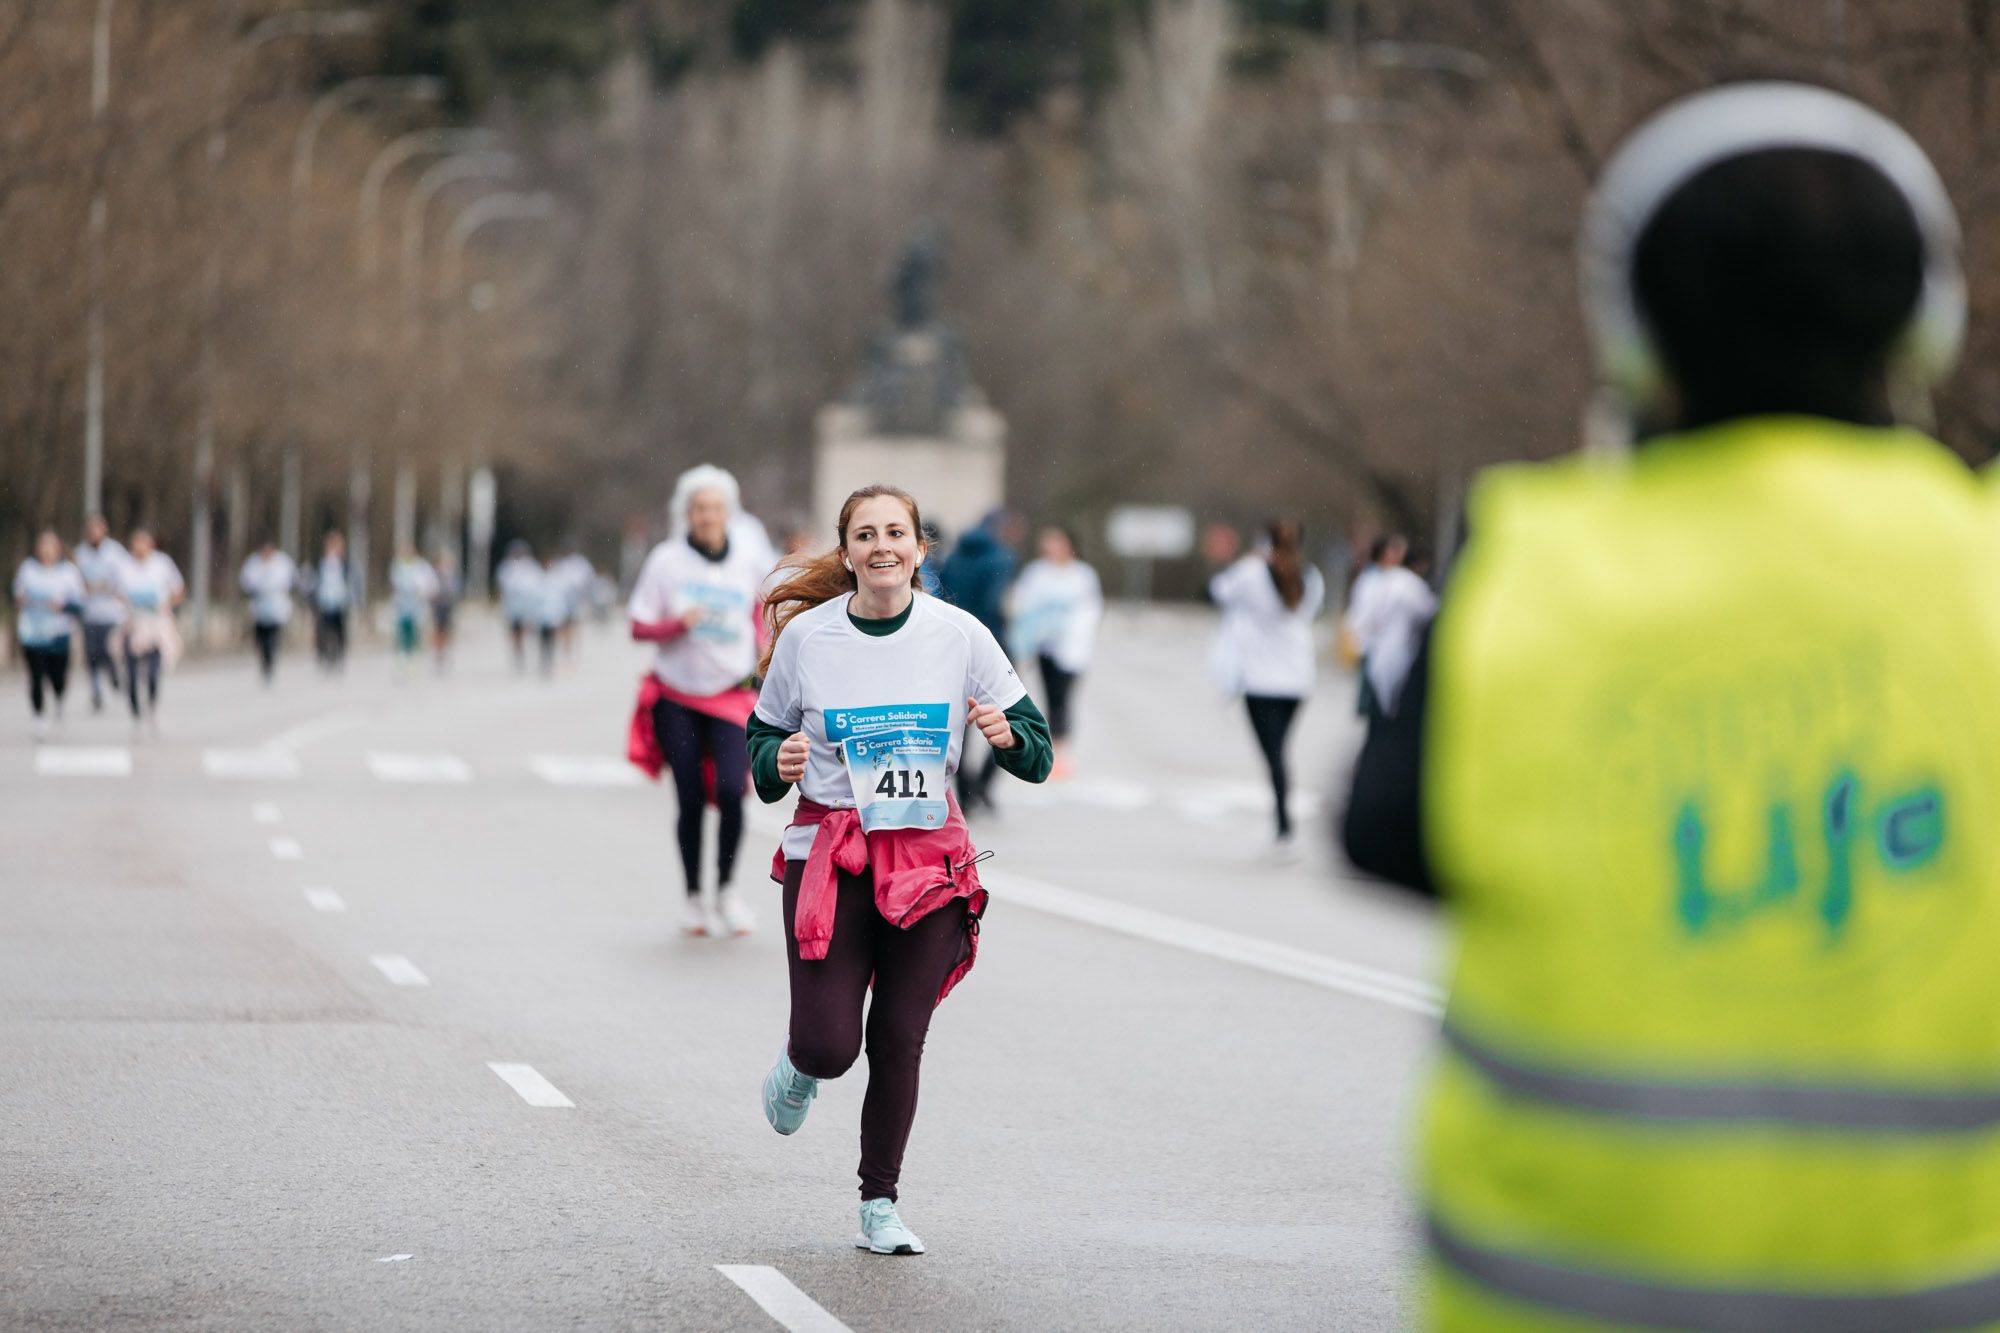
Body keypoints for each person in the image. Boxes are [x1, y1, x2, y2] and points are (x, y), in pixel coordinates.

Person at [1343, 83, 2000, 1330]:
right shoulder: (1983, 568)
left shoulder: (1531, 560)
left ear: (1628, 332)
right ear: (1927, 327)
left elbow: (1385, 831)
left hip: (1562, 1292)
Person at [747, 484, 1052, 1257]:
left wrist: (1008, 736)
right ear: (846, 552)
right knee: (830, 1045)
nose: (882, 545)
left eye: (896, 532)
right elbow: (762, 740)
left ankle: (879, 1202)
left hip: (928, 863)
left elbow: (1037, 748)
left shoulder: (960, 634)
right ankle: (800, 1064)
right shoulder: (810, 641)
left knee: (898, 1036)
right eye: (865, 534)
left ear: (919, 550)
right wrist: (775, 761)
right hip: (833, 856)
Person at [626, 465, 766, 937]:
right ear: (686, 514)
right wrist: (675, 625)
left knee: (731, 792)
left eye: (716, 508)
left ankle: (726, 891)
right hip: (677, 695)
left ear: (730, 512)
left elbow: (757, 614)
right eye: (699, 508)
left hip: (730, 693)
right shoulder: (666, 562)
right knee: (688, 797)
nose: (708, 516)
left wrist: (765, 663)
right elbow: (638, 626)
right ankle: (692, 897)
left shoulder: (746, 559)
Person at [1208, 519, 1324, 853]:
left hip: (1260, 678)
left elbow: (1215, 592)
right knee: (1280, 751)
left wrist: (1248, 561)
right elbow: (1307, 612)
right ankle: (1283, 822)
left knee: (1274, 755)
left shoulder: (1250, 572)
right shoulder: (1311, 576)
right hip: (1298, 677)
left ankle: (1284, 824)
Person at [1007, 525, 1103, 780]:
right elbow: (1022, 606)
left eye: (1056, 541)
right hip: (1044, 647)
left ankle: (1062, 750)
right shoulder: (1036, 573)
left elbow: (1089, 613)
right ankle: (1055, 749)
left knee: (1064, 698)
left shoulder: (1083, 575)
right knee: (1051, 698)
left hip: (1071, 650)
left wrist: (1072, 635)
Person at [936, 510, 1017, 810]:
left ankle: (966, 793)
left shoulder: (955, 555)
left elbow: (945, 598)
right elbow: (997, 602)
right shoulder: (1002, 558)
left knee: (962, 722)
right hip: (992, 642)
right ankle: (982, 783)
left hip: (956, 646)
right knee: (1010, 721)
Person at [1344, 536, 1435, 719]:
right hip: (1379, 649)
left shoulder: (1392, 580)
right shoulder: (1398, 582)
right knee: (1380, 710)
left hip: (1380, 651)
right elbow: (1427, 610)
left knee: (1379, 707)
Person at [12, 530, 85, 741]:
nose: (46, 550)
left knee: (57, 678)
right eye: (43, 545)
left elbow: (80, 605)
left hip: (58, 634)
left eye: (51, 546)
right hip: (32, 633)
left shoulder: (69, 573)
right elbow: (16, 593)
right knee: (35, 676)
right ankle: (38, 718)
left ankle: (59, 697)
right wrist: (20, 600)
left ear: (58, 549)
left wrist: (63, 606)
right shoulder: (28, 570)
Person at [113, 528, 184, 735]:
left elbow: (179, 590)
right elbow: (114, 592)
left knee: (153, 673)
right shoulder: (123, 567)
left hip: (156, 627)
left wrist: (167, 604)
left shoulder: (162, 564)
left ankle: (151, 706)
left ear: (151, 545)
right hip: (132, 626)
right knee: (132, 675)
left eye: (144, 543)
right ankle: (135, 715)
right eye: (136, 543)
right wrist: (124, 605)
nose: (140, 548)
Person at [73, 514, 125, 711]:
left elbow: (124, 577)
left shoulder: (115, 552)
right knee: (92, 655)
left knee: (108, 652)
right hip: (89, 613)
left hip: (111, 613)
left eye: (98, 529)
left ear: (104, 530)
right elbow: (74, 581)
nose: (94, 533)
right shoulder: (80, 554)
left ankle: (113, 675)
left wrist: (113, 588)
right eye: (91, 529)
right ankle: (96, 691)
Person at [239, 539, 298, 685]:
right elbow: (246, 582)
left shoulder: (282, 562)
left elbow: (291, 580)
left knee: (272, 638)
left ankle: (270, 661)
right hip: (259, 608)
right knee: (261, 639)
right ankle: (265, 661)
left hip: (276, 608)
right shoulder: (253, 563)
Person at [388, 546, 439, 676]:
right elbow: (394, 585)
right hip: (401, 607)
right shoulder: (397, 566)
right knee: (402, 636)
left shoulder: (421, 566)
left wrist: (422, 592)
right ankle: (402, 663)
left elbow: (432, 585)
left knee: (415, 637)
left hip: (417, 607)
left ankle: (414, 663)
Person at [308, 531, 352, 674]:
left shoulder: (346, 565)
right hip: (324, 603)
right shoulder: (319, 563)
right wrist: (312, 599)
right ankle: (324, 657)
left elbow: (353, 583)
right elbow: (312, 582)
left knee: (340, 633)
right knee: (323, 632)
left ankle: (339, 657)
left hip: (340, 603)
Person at [496, 539, 542, 673]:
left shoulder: (531, 566)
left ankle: (526, 653)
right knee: (515, 632)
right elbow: (503, 587)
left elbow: (537, 586)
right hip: (512, 605)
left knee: (526, 631)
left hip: (527, 605)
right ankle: (518, 654)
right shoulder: (507, 566)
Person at [429, 548, 461, 673]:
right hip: (438, 606)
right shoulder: (433, 574)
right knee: (438, 630)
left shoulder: (452, 575)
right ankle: (439, 654)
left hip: (448, 606)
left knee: (447, 632)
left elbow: (456, 591)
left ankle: (446, 653)